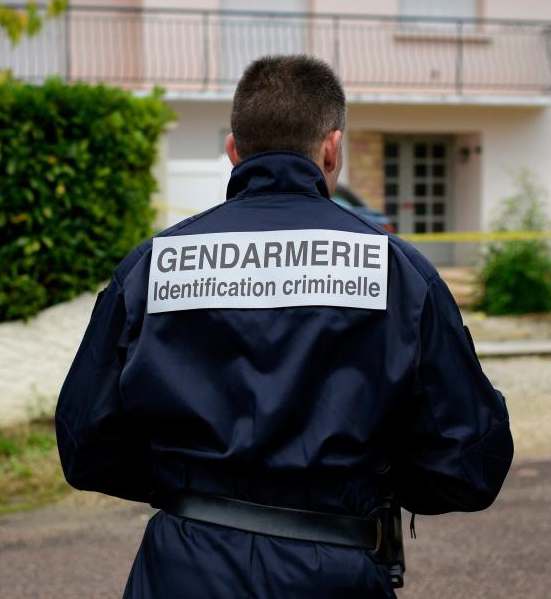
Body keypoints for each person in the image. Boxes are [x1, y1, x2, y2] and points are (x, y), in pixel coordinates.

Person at [55, 55, 512, 598]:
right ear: (332, 149)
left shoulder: (152, 267)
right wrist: (370, 480)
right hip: (331, 573)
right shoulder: (397, 272)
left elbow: (84, 441)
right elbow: (468, 462)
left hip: (180, 569)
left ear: (234, 151)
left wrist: (192, 486)